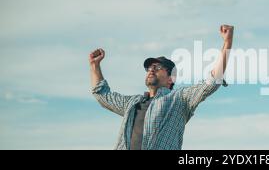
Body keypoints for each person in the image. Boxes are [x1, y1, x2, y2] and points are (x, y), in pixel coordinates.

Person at [89, 25, 234, 150]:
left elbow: (212, 81)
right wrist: (95, 65)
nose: (151, 70)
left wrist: (227, 42)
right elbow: (103, 95)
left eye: (158, 67)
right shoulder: (132, 103)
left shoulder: (179, 100)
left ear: (171, 79)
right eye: (149, 68)